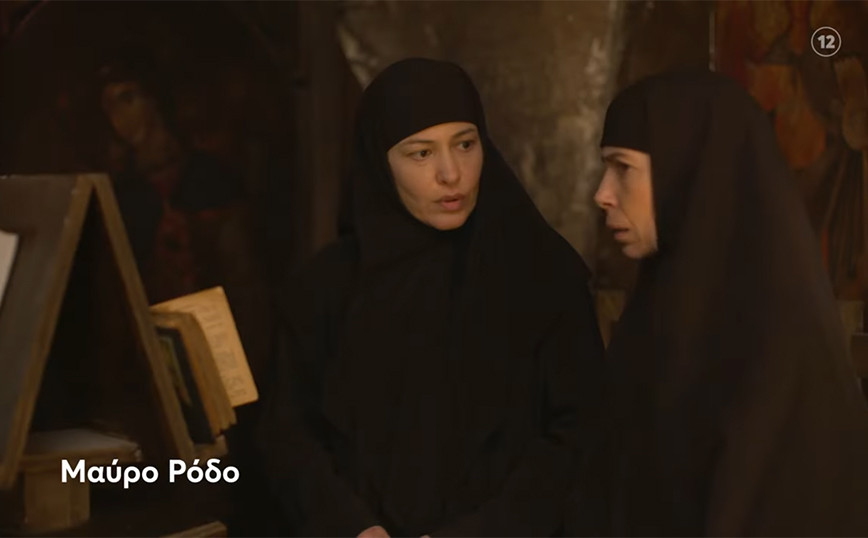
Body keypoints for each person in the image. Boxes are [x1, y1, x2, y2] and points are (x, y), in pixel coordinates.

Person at [258, 58, 605, 537]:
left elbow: (580, 433)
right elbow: (287, 432)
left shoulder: (542, 276)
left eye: (465, 144)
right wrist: (351, 527)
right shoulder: (325, 289)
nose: (451, 174)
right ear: (380, 163)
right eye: (421, 154)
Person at [588, 69, 868, 536]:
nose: (602, 194)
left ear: (686, 169)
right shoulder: (655, 308)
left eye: (623, 168)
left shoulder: (781, 344)